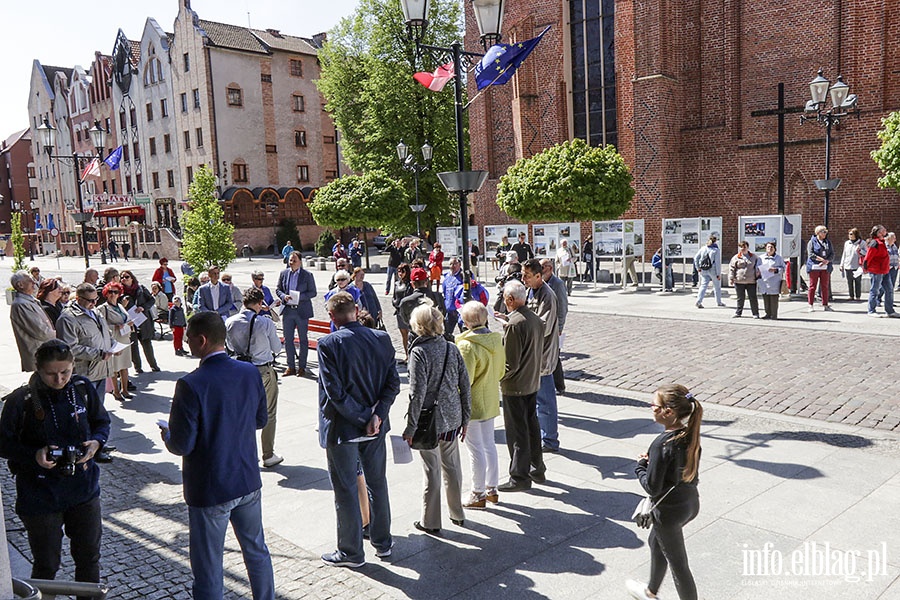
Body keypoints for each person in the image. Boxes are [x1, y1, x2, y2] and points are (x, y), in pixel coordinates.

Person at [160, 312, 274, 598]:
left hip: (210, 487)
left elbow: (182, 445)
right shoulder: (249, 371)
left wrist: (167, 435)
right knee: (256, 551)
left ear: (201, 340)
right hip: (247, 478)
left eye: (188, 339)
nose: (186, 343)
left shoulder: (190, 384)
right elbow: (261, 420)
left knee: (209, 565)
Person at [0, 340, 110, 595]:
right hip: (40, 495)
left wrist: (96, 443)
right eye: (51, 373)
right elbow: (3, 444)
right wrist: (34, 455)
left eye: (65, 372)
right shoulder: (21, 400)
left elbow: (101, 422)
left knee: (89, 558)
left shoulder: (82, 388)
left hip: (83, 490)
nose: (59, 379)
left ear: (73, 367)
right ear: (38, 369)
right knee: (47, 564)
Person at [317, 292, 400, 567]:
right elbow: (393, 384)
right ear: (356, 310)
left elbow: (335, 393)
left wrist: (366, 417)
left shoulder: (328, 344)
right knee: (377, 483)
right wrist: (376, 415)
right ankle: (383, 542)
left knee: (346, 489)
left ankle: (351, 552)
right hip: (374, 426)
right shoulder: (381, 338)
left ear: (332, 317)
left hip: (344, 428)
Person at [626, 384, 702, 600]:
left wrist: (641, 465)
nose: (651, 408)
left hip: (669, 512)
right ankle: (650, 591)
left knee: (679, 565)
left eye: (654, 405)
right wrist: (654, 463)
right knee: (656, 542)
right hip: (689, 503)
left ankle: (652, 593)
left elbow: (652, 486)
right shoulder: (689, 434)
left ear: (668, 412)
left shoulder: (662, 444)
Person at [402, 304, 471, 534]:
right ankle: (457, 512)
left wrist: (410, 427)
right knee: (452, 466)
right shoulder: (452, 348)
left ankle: (430, 521)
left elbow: (417, 393)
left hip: (427, 419)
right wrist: (466, 417)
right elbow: (464, 385)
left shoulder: (418, 352)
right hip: (451, 416)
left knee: (431, 470)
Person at [495, 279, 544, 492]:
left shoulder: (515, 325)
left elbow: (510, 363)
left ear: (511, 299)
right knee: (531, 426)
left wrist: (497, 378)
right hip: (531, 381)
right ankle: (536, 467)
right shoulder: (533, 318)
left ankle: (519, 476)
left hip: (516, 385)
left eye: (505, 300)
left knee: (517, 432)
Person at [227, 288, 285, 468]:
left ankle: (245, 454)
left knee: (243, 413)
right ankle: (268, 454)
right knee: (269, 412)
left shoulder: (230, 322)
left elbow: (229, 345)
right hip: (262, 370)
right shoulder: (264, 323)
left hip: (239, 370)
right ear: (260, 303)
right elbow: (277, 348)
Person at [455, 301, 504, 509]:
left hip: (474, 402)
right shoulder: (496, 340)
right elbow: (502, 371)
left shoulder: (466, 345)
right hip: (491, 396)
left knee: (475, 449)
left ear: (466, 322)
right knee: (489, 445)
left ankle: (478, 493)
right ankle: (492, 488)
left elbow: (464, 381)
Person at [522, 259, 560, 453]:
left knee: (545, 400)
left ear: (539, 276)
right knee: (537, 400)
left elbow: (543, 327)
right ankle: (544, 435)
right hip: (532, 355)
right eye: (523, 275)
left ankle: (551, 440)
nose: (523, 279)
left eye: (527, 276)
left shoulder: (548, 295)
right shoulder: (530, 291)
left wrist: (521, 325)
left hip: (543, 357)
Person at [55, 283, 113, 399]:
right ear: (78, 299)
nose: (94, 303)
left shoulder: (95, 311)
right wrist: (99, 354)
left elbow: (106, 333)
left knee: (98, 409)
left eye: (96, 299)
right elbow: (70, 348)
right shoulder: (68, 318)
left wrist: (113, 345)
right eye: (90, 301)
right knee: (85, 411)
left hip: (101, 370)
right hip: (85, 374)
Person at [277, 251, 317, 377]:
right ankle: (290, 367)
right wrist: (284, 296)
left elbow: (313, 292)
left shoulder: (307, 275)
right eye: (290, 260)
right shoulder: (284, 274)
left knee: (303, 340)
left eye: (294, 260)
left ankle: (302, 367)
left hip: (301, 311)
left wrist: (299, 297)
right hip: (288, 311)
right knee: (288, 340)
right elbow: (278, 289)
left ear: (300, 261)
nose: (291, 262)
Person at [10, 271, 57, 372]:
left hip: (45, 353)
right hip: (39, 356)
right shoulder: (21, 304)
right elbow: (41, 332)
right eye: (30, 280)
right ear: (20, 285)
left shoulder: (29, 301)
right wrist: (60, 334)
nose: (34, 283)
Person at [96, 282, 134, 401]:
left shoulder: (121, 306)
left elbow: (126, 319)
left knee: (125, 365)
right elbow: (100, 326)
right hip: (114, 339)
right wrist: (115, 327)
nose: (113, 294)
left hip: (125, 338)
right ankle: (115, 391)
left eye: (116, 292)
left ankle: (125, 389)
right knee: (114, 367)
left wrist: (129, 324)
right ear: (106, 294)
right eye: (110, 292)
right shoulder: (102, 308)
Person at [120, 270, 161, 374]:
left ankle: (153, 365)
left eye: (126, 277)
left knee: (147, 343)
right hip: (130, 321)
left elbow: (151, 300)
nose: (124, 279)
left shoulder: (141, 288)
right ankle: (138, 367)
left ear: (132, 278)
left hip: (143, 320)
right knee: (133, 345)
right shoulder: (120, 292)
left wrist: (143, 307)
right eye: (122, 277)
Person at [540, 259, 569, 394]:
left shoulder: (557, 284)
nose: (540, 269)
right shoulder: (540, 283)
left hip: (554, 325)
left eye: (542, 267)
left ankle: (560, 385)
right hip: (545, 325)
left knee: (555, 356)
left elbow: (562, 307)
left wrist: (560, 327)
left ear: (550, 268)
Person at [863, 224, 899, 318]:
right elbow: (868, 257)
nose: (886, 230)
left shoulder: (883, 242)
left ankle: (890, 311)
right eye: (884, 230)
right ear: (879, 233)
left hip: (885, 270)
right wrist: (865, 268)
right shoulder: (875, 243)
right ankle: (871, 310)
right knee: (875, 290)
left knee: (889, 290)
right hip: (876, 270)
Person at [805, 225, 835, 312]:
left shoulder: (828, 242)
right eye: (823, 232)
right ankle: (810, 305)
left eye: (826, 232)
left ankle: (825, 304)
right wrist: (821, 259)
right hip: (814, 267)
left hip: (825, 267)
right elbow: (811, 254)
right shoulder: (812, 242)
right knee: (812, 286)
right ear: (818, 233)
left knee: (825, 286)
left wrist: (827, 261)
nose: (825, 234)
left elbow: (832, 253)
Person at [728, 241, 761, 319]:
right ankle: (738, 312)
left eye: (744, 247)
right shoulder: (736, 257)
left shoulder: (754, 257)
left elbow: (758, 267)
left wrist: (758, 276)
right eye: (741, 247)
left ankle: (755, 313)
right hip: (739, 281)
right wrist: (731, 278)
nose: (743, 249)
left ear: (747, 247)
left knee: (753, 297)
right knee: (740, 298)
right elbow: (732, 268)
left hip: (751, 281)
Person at [693, 236, 725, 309]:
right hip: (713, 269)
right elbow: (717, 263)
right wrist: (718, 274)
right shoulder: (716, 250)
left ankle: (699, 301)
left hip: (703, 269)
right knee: (717, 286)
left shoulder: (703, 248)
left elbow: (696, 258)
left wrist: (698, 267)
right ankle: (719, 302)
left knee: (703, 286)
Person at [758, 242, 786, 320]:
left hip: (774, 281)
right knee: (766, 298)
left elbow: (784, 268)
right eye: (768, 247)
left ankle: (774, 315)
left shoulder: (779, 258)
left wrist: (776, 270)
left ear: (774, 248)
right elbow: (757, 267)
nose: (770, 249)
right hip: (764, 281)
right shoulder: (761, 258)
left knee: (773, 298)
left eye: (771, 247)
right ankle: (767, 313)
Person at [392, 263, 414, 356]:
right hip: (399, 311)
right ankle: (406, 355)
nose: (400, 273)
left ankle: (412, 354)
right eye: (399, 271)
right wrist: (395, 304)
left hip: (408, 312)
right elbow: (394, 297)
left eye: (402, 271)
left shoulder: (410, 284)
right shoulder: (397, 283)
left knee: (411, 334)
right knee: (403, 334)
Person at [840, 228, 866, 301]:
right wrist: (842, 264)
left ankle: (858, 296)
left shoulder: (862, 243)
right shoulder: (847, 243)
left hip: (858, 265)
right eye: (849, 234)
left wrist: (860, 250)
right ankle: (851, 295)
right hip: (848, 265)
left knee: (857, 281)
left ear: (856, 234)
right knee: (849, 281)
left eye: (851, 234)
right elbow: (844, 254)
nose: (849, 235)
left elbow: (867, 253)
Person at [442, 257, 464, 335]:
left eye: (455, 264)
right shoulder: (447, 276)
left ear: (459, 265)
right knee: (447, 332)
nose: (452, 266)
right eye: (451, 264)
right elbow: (444, 291)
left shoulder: (463, 276)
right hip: (450, 309)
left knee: (464, 331)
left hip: (460, 310)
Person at [879, 232, 899, 304]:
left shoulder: (894, 246)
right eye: (893, 237)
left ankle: (889, 301)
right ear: (888, 238)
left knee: (891, 286)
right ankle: (878, 299)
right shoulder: (884, 246)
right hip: (887, 268)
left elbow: (897, 255)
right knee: (883, 285)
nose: (895, 239)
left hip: (895, 267)